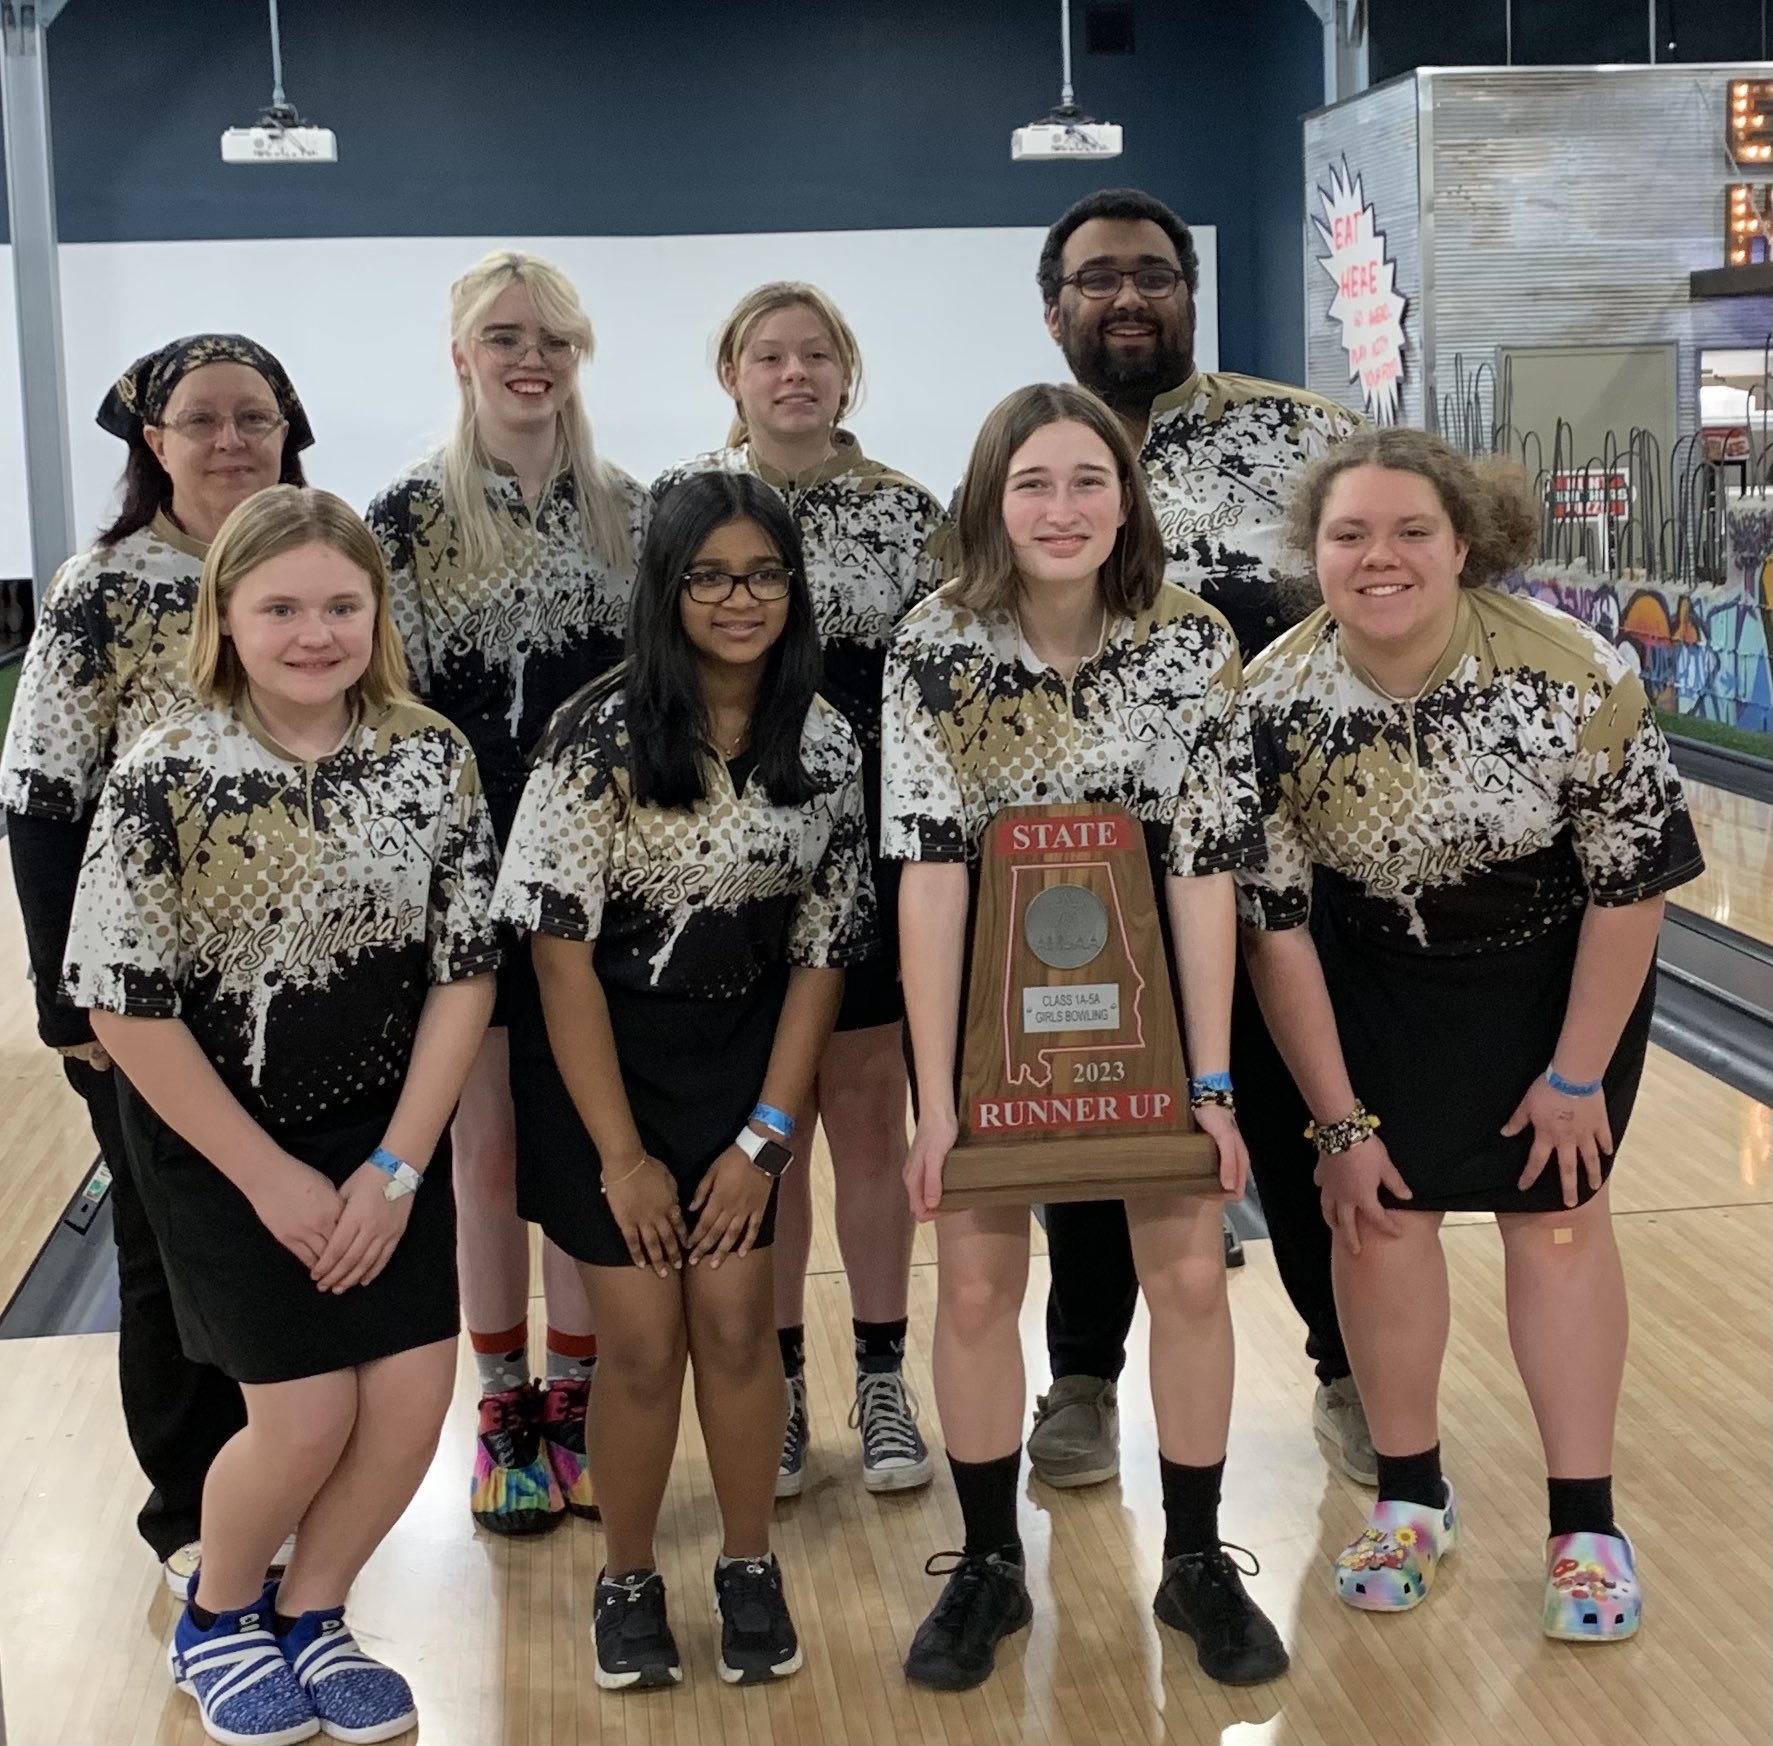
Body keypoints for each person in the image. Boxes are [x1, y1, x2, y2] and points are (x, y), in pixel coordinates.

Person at [1237, 429, 1703, 1640]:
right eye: (1350, 534)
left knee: (1556, 1226)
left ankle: (1585, 1525)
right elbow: (1275, 927)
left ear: (1464, 547)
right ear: (1314, 550)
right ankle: (1410, 1500)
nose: (1378, 558)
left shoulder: (1572, 673)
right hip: (1370, 975)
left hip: (1553, 975)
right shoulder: (1273, 698)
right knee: (1375, 1220)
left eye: (1409, 533)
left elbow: (1632, 885)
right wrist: (1335, 1120)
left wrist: (1575, 1073)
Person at [65, 486, 501, 1745]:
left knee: (415, 1402)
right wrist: (271, 1180)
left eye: (341, 605)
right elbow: (127, 1012)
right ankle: (220, 1611)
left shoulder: (431, 754)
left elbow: (464, 973)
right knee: (305, 1414)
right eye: (281, 608)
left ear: (378, 612)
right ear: (227, 617)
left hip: (383, 1138)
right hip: (224, 1144)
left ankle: (313, 1612)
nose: (315, 633)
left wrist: (399, 1166)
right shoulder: (167, 775)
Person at [884, 382, 1288, 1693]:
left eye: (1088, 481)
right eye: (1033, 484)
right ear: (990, 501)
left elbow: (1203, 866)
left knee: (1183, 1280)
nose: (1063, 509)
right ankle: (991, 1561)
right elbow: (932, 872)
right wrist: (937, 1097)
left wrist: (1213, 1082)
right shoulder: (932, 647)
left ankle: (1193, 1556)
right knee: (980, 1285)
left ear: (1129, 498)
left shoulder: (1191, 642)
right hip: (987, 1021)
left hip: (1152, 1013)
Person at [492, 470, 874, 1688]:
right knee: (645, 1342)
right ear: (666, 589)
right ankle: (630, 1579)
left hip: (740, 1066)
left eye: (765, 573)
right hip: (603, 1067)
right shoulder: (590, 735)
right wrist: (623, 1161)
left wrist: (767, 1137)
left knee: (737, 1326)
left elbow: (820, 954)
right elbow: (557, 968)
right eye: (709, 574)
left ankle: (749, 1566)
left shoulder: (821, 738)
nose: (740, 597)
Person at [1030, 185, 1374, 1494]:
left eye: (1155, 275)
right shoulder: (1029, 452)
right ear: (1054, 304)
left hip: (1289, 863)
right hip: (1091, 867)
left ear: (1189, 289)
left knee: (1299, 1119)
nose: (1130, 297)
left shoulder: (1305, 439)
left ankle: (1345, 1368)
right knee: (1094, 1128)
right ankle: (1080, 1377)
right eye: (1101, 277)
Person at [0, 334, 313, 1598]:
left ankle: (286, 1476)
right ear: (152, 440)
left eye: (257, 416)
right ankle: (192, 1508)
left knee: (288, 1233)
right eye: (203, 420)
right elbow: (38, 793)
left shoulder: (320, 559)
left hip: (312, 982)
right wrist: (62, 993)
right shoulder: (102, 586)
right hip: (149, 997)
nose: (233, 439)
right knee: (166, 1241)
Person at [367, 250, 651, 1535]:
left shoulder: (632, 514)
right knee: (482, 1156)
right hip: (465, 881)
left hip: (604, 881)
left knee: (590, 1149)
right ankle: (505, 1409)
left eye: (553, 338)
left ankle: (581, 1406)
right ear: (461, 354)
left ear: (579, 355)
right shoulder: (405, 520)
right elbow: (386, 713)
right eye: (504, 337)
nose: (530, 358)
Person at [654, 281, 947, 1499]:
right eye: (768, 356)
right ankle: (774, 1391)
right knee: (758, 1140)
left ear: (847, 374)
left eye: (816, 355)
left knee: (870, 1126)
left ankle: (882, 1377)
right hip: (735, 871)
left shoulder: (909, 514)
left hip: (873, 859)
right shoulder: (686, 509)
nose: (793, 375)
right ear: (732, 375)